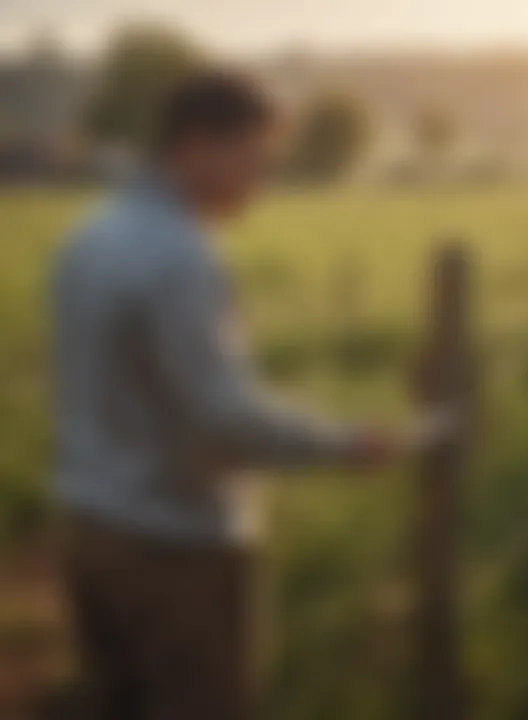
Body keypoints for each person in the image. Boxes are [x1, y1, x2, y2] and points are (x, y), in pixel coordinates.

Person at [52, 71, 404, 720]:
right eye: (253, 154)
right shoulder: (182, 255)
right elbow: (222, 421)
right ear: (194, 147)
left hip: (89, 530)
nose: (264, 175)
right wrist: (345, 444)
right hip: (173, 550)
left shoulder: (88, 237)